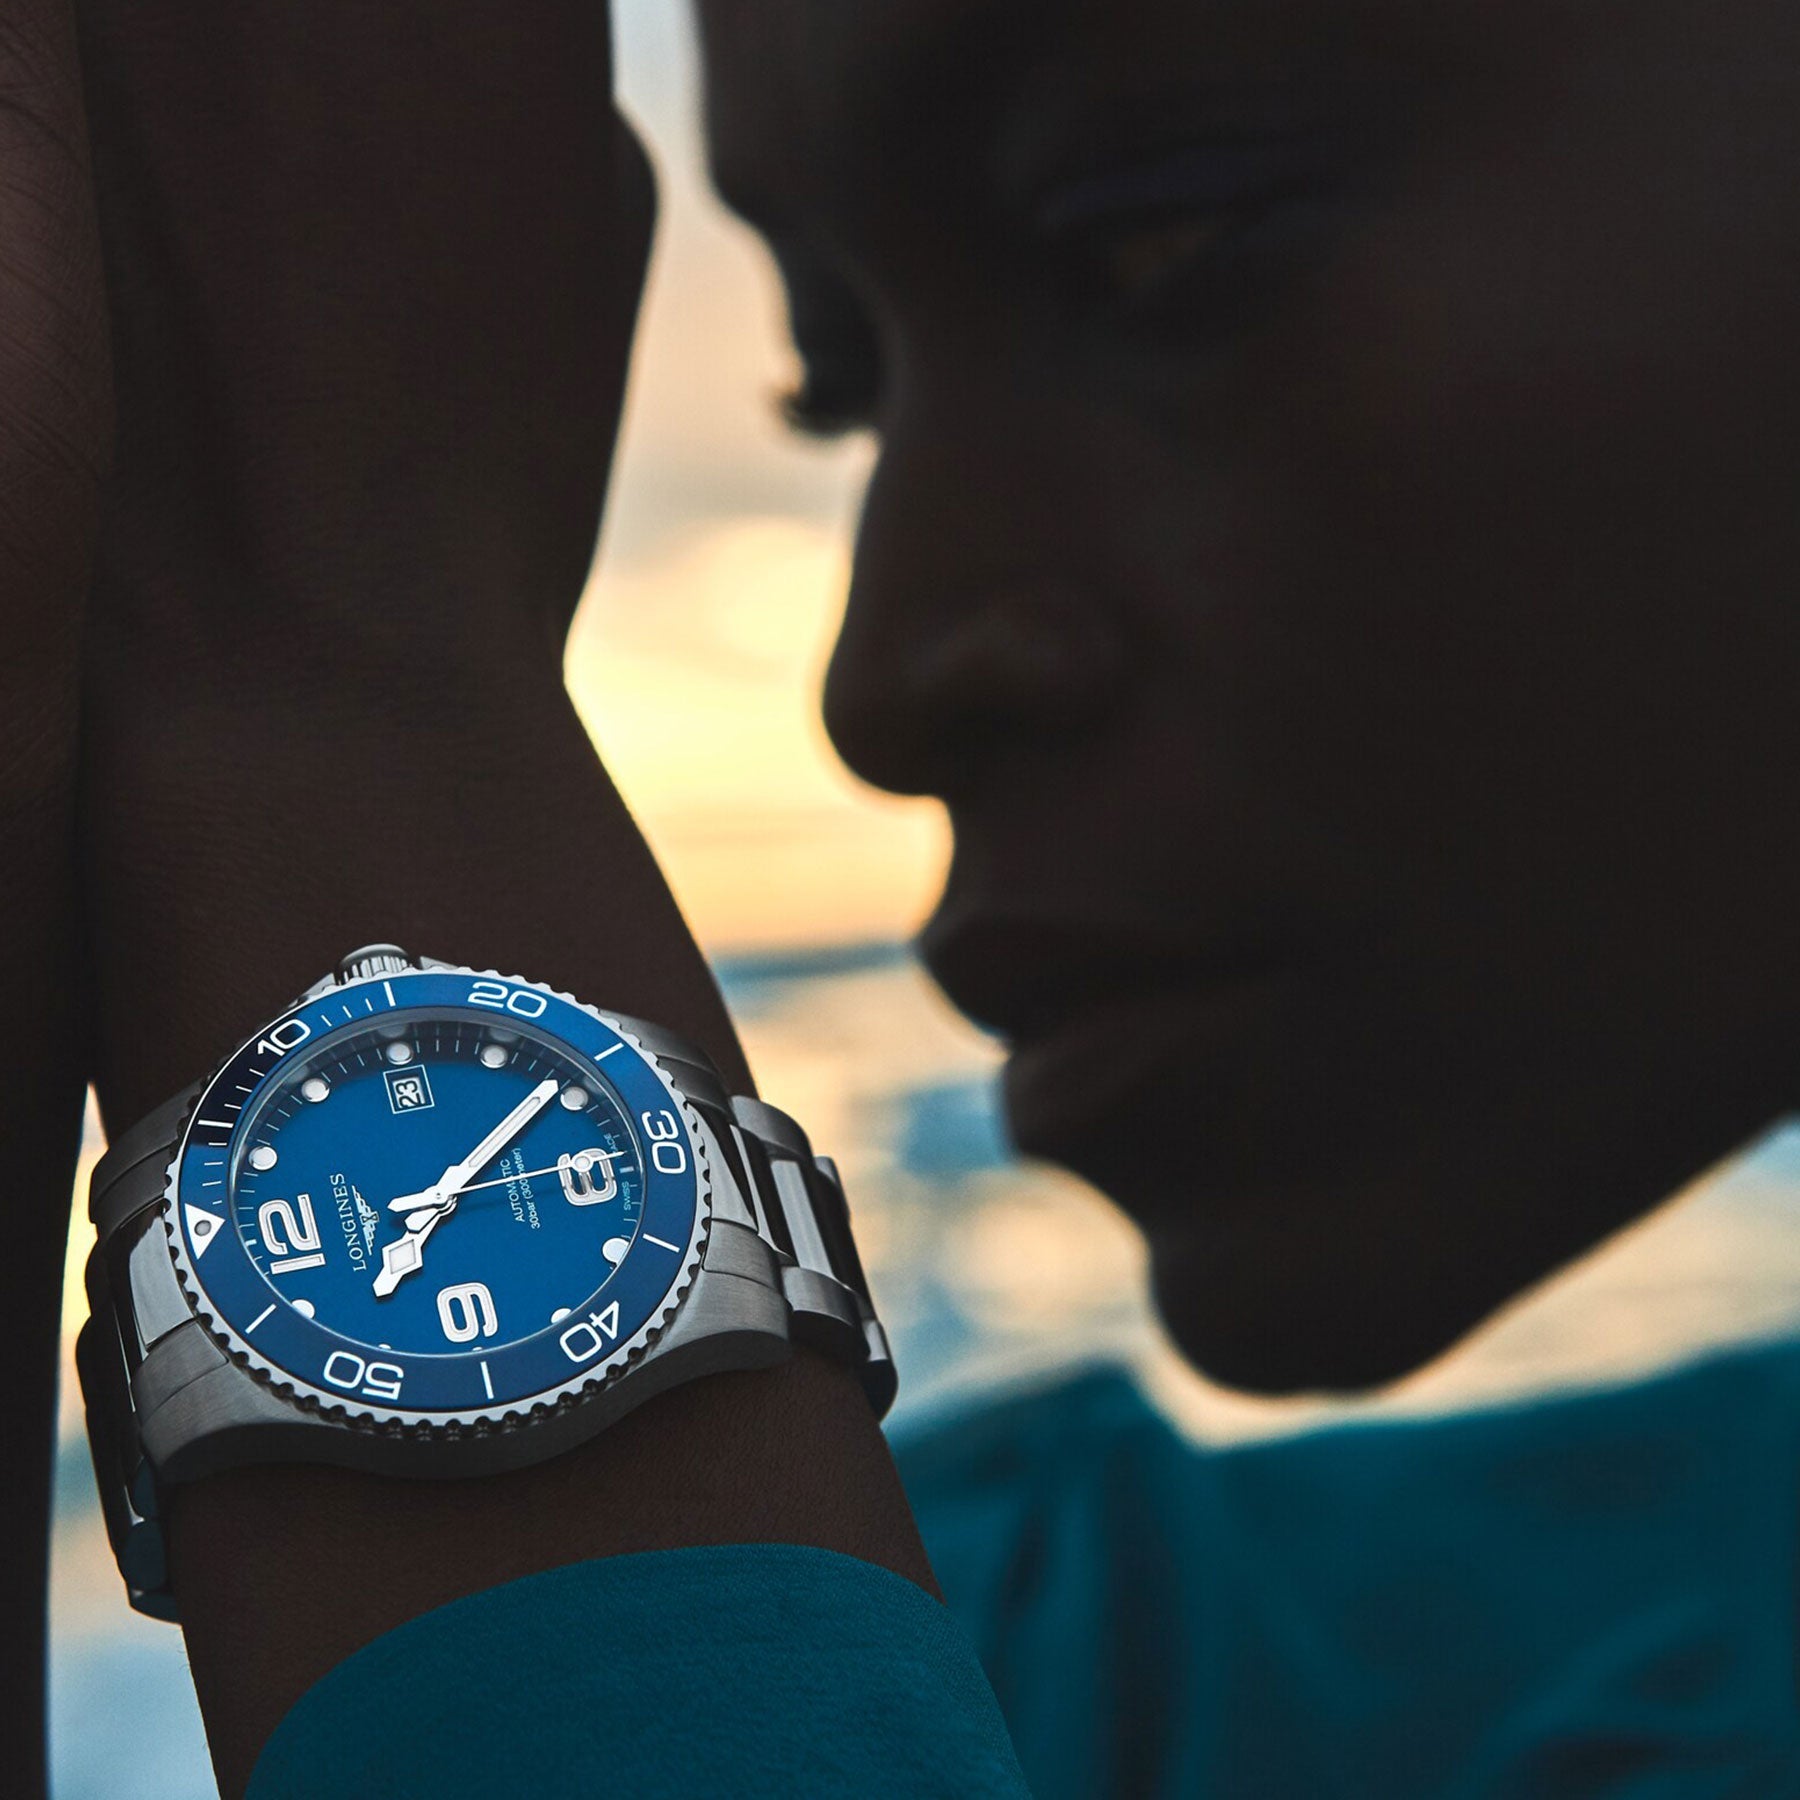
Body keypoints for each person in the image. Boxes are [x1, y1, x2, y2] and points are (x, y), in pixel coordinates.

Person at [8, 0, 1800, 1794]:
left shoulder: (1057, 1662)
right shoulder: (1029, 1655)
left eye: (1167, 237)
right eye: (840, 391)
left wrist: (325, 685)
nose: (887, 681)